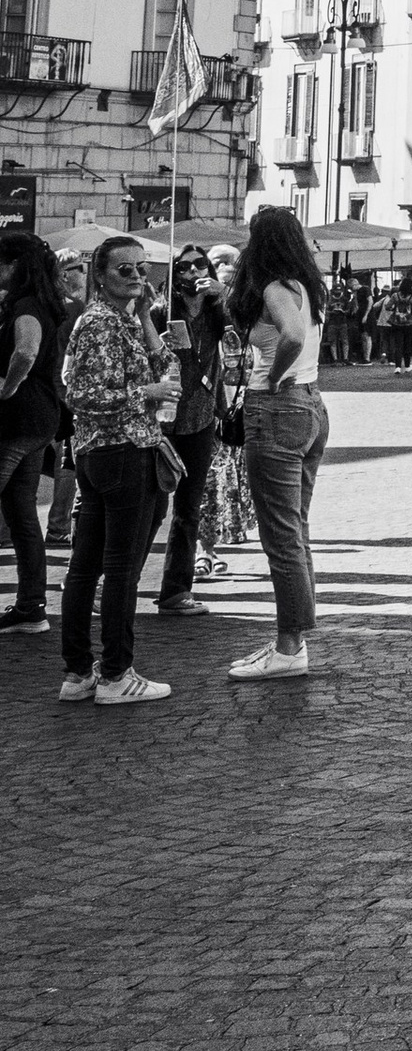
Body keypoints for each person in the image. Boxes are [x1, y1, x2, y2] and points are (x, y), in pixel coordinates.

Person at [57, 233, 178, 707]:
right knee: (118, 568)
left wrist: (146, 315)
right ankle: (114, 673)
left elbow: (166, 364)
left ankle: (78, 673)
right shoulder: (99, 324)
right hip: (118, 453)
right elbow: (81, 395)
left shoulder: (124, 321)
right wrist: (142, 395)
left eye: (142, 268)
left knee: (88, 565)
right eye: (124, 269)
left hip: (111, 453)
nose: (135, 276)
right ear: (100, 275)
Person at [225, 207, 332, 678]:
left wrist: (272, 377)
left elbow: (289, 335)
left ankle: (289, 648)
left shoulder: (272, 287)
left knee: (282, 536)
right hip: (310, 405)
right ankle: (293, 640)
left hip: (278, 407)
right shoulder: (305, 285)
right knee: (296, 529)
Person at [153, 246, 229, 617]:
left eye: (200, 264)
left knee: (188, 509)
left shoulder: (217, 313)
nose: (193, 271)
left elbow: (241, 340)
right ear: (175, 275)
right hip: (162, 420)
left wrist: (224, 296)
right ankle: (114, 581)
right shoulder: (162, 312)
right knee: (148, 508)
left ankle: (176, 591)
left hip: (200, 419)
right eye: (184, 266)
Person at [0, 236, 71, 634]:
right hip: (39, 418)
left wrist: (6, 387)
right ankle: (31, 607)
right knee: (21, 512)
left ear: (13, 266)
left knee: (21, 512)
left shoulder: (26, 306)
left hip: (19, 419)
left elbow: (26, 351)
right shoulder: (41, 303)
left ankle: (30, 606)